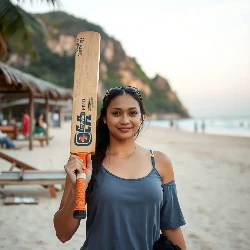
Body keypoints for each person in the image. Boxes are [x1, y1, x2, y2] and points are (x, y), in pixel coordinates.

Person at [54, 86, 186, 250]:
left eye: (132, 113)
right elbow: (62, 234)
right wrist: (78, 188)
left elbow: (171, 227)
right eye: (116, 113)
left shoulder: (160, 162)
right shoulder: (85, 163)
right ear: (104, 118)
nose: (125, 120)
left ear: (142, 117)